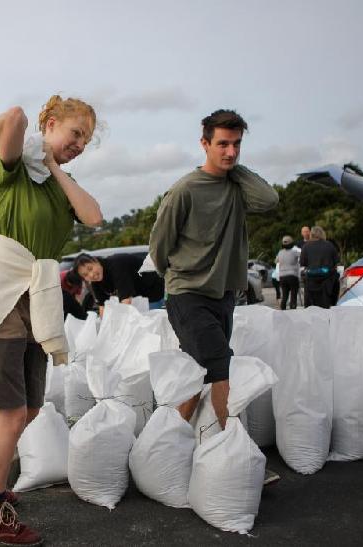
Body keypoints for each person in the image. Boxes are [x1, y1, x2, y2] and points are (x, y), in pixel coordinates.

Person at [0, 96, 102, 545]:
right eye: (74, 134)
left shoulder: (59, 181)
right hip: (2, 298)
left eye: (86, 140)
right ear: (52, 124)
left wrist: (57, 168)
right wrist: (34, 140)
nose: (80, 144)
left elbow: (94, 218)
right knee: (11, 413)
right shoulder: (12, 170)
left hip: (37, 302)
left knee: (31, 409)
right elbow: (12, 119)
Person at [148, 109, 279, 485]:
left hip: (224, 296)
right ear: (204, 143)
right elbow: (159, 247)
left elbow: (269, 200)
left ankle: (161, 445)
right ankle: (233, 453)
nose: (231, 151)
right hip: (187, 294)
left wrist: (231, 168)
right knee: (221, 364)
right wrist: (180, 277)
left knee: (198, 374)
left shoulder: (237, 186)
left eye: (236, 144)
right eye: (222, 144)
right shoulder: (185, 190)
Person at [73, 253, 165, 314]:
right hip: (142, 299)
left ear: (95, 261)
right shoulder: (96, 282)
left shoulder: (116, 265)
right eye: (85, 275)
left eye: (90, 268)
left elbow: (126, 300)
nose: (91, 275)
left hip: (158, 292)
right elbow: (102, 307)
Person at [300, 225, 340, 308]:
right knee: (327, 308)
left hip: (311, 282)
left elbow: (303, 263)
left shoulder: (306, 246)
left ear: (311, 234)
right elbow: (336, 262)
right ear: (322, 234)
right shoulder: (329, 245)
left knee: (311, 309)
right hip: (327, 282)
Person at [276, 235, 301, 310]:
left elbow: (276, 261)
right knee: (293, 295)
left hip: (282, 276)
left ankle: (282, 311)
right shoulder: (294, 252)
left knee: (284, 295)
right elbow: (302, 257)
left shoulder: (280, 253)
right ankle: (292, 311)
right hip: (292, 276)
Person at [298, 225, 312, 307]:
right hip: (303, 268)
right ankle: (307, 305)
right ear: (301, 233)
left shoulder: (313, 242)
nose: (306, 233)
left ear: (310, 232)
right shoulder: (299, 244)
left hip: (313, 266)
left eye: (307, 231)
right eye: (304, 231)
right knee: (306, 287)